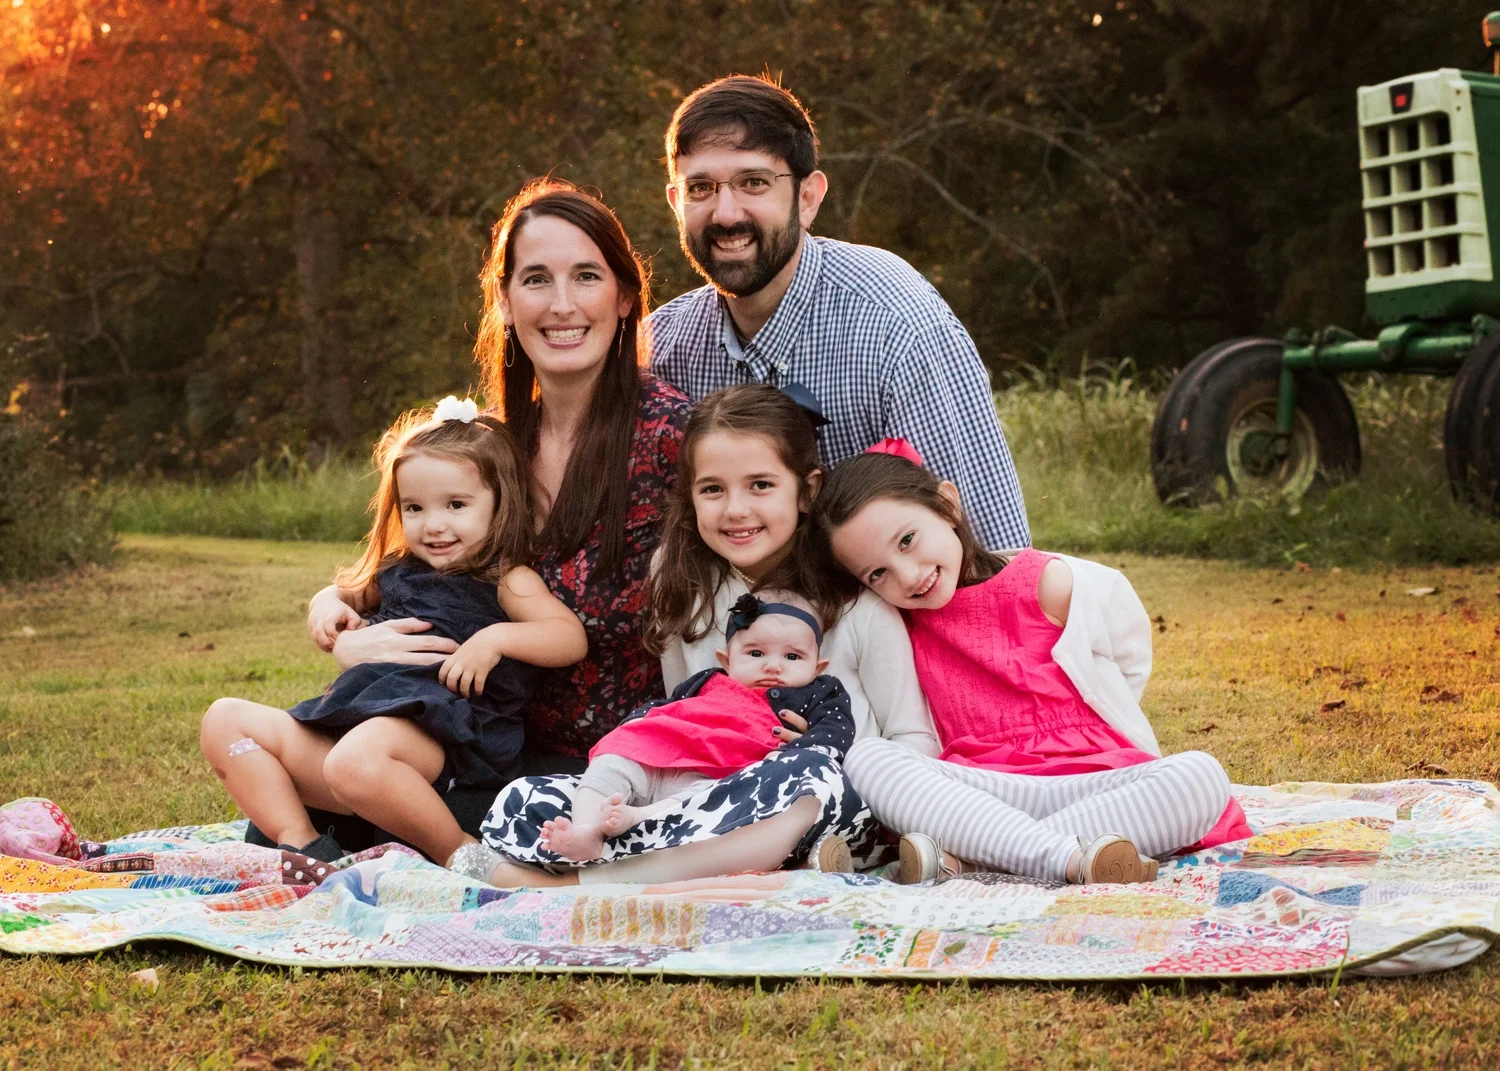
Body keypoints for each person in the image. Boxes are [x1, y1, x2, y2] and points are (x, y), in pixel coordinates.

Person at [303, 180, 692, 850]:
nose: (562, 304)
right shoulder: (494, 444)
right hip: (481, 740)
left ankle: (469, 851)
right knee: (291, 800)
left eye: (587, 276)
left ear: (625, 297)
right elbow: (416, 561)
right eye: (537, 279)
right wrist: (339, 620)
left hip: (618, 768)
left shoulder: (672, 437)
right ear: (506, 301)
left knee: (355, 798)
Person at [470, 384, 939, 888]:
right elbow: (685, 711)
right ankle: (699, 870)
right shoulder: (681, 583)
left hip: (824, 803)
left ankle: (579, 886)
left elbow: (916, 739)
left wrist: (836, 754)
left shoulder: (856, 602)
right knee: (527, 797)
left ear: (806, 491)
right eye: (713, 489)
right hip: (697, 799)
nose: (735, 510)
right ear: (689, 496)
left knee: (803, 780)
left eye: (761, 485)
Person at [811, 444, 1248, 885]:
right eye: (878, 574)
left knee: (1199, 777)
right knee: (870, 760)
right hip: (983, 792)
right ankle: (1061, 855)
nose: (907, 576)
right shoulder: (896, 625)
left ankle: (985, 859)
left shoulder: (1045, 581)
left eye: (907, 541)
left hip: (1095, 780)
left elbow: (1127, 652)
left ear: (947, 506)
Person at [647, 74, 1030, 551]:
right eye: (700, 187)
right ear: (676, 203)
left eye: (753, 183)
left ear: (808, 197)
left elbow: (994, 553)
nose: (726, 213)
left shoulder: (896, 323)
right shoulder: (663, 349)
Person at [199, 398, 588, 866]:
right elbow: (342, 591)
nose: (434, 525)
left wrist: (496, 639)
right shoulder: (396, 570)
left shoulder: (506, 579)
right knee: (224, 719)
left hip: (440, 738)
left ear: (500, 504)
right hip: (354, 735)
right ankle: (303, 846)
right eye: (415, 507)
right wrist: (325, 605)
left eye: (456, 505)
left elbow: (567, 637)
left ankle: (462, 856)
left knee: (354, 759)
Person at [540, 592, 856, 862]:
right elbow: (664, 707)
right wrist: (633, 728)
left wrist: (794, 754)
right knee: (612, 761)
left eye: (792, 656)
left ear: (818, 667)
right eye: (756, 653)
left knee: (715, 798)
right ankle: (585, 830)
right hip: (660, 752)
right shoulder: (707, 680)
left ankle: (639, 818)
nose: (773, 666)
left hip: (720, 773)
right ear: (727, 660)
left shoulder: (818, 692)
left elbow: (835, 731)